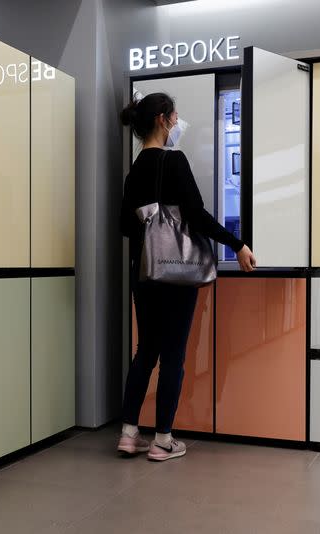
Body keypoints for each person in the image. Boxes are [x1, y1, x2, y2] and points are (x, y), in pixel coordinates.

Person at [118, 92, 257, 461]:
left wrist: (150, 221)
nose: (178, 123)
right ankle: (163, 439)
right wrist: (237, 244)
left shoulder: (135, 170)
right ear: (163, 119)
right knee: (174, 355)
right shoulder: (174, 161)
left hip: (144, 275)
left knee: (145, 352)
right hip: (177, 277)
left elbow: (124, 227)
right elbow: (197, 216)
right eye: (175, 117)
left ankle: (129, 433)